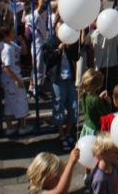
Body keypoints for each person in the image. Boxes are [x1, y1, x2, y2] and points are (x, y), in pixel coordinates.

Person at [44, 18, 81, 151]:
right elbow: (47, 60)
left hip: (69, 78)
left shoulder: (71, 40)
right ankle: (61, 135)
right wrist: (58, 50)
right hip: (57, 79)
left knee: (74, 107)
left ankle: (67, 132)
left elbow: (76, 57)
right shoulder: (51, 42)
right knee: (59, 106)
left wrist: (70, 46)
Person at [0, 24, 33, 136]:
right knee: (21, 100)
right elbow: (6, 67)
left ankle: (9, 127)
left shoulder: (11, 45)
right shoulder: (7, 49)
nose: (15, 34)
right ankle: (22, 126)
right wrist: (17, 80)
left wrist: (22, 41)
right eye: (12, 32)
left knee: (9, 103)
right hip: (12, 78)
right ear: (5, 35)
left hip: (10, 78)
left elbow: (23, 52)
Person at [80, 68, 112, 138]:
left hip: (87, 126)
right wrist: (108, 103)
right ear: (97, 86)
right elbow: (106, 114)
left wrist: (99, 98)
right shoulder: (96, 100)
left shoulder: (84, 95)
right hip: (95, 129)